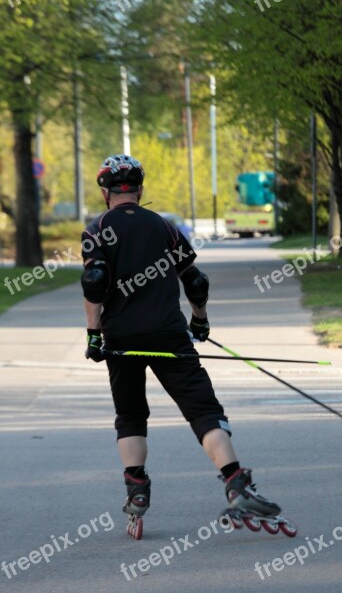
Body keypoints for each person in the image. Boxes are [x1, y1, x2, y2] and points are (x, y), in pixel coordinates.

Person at [81, 154, 281, 535]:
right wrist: (200, 320)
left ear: (105, 192)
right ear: (140, 189)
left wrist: (94, 336)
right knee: (202, 411)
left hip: (121, 337)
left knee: (130, 414)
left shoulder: (97, 229)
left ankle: (137, 491)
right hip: (170, 333)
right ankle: (235, 482)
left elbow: (94, 281)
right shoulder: (164, 226)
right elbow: (195, 281)